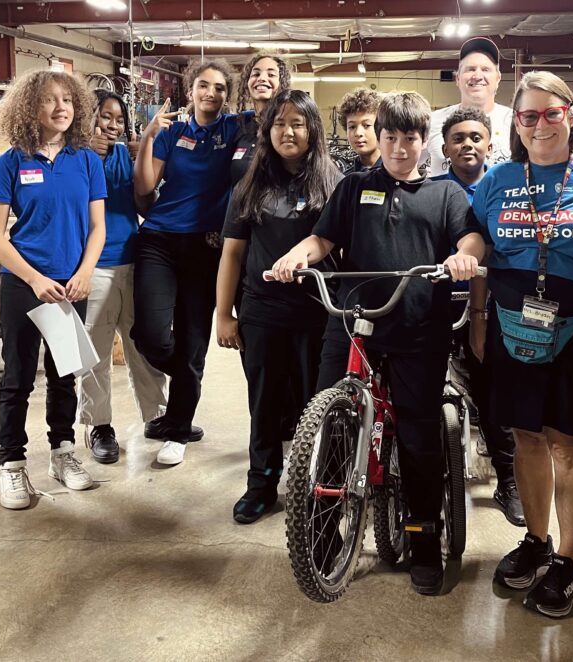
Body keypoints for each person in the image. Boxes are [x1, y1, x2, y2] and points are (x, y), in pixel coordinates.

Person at [272, 92, 472, 595]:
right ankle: (323, 533)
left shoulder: (446, 194)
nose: (399, 148)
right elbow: (323, 241)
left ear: (424, 140)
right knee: (330, 429)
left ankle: (424, 538)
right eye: (389, 137)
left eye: (409, 138)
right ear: (378, 138)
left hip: (417, 328)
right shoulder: (354, 187)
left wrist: (463, 258)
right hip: (353, 322)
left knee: (419, 433)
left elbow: (469, 240)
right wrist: (297, 256)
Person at [451, 71, 573, 618]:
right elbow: (478, 233)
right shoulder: (500, 178)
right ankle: (536, 539)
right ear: (518, 124)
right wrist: (478, 312)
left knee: (568, 446)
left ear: (571, 114)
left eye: (552, 112)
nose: (540, 124)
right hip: (511, 318)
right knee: (527, 437)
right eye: (528, 116)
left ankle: (570, 564)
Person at [0, 69, 107, 510]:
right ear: (29, 108)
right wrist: (35, 279)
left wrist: (87, 271)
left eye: (67, 100)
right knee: (17, 378)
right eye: (50, 100)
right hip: (25, 284)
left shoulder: (87, 160)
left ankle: (62, 453)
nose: (61, 108)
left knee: (64, 376)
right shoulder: (12, 162)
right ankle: (12, 465)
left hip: (73, 286)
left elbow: (98, 227)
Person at [216, 89, 340, 524]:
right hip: (262, 312)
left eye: (298, 124)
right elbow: (232, 254)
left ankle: (317, 489)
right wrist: (224, 314)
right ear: (268, 131)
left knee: (316, 406)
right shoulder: (250, 185)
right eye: (280, 123)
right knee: (264, 403)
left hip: (316, 313)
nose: (289, 131)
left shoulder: (331, 181)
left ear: (313, 130)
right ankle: (261, 483)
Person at [132, 60, 246, 466]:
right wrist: (147, 135)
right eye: (203, 85)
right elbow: (145, 187)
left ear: (227, 94)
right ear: (190, 90)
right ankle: (183, 378)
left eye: (218, 87)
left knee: (193, 339)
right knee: (148, 334)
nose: (210, 93)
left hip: (207, 245)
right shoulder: (173, 130)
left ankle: (179, 427)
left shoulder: (235, 128)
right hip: (159, 239)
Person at [431, 107, 523, 527]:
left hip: (491, 307)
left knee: (493, 395)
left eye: (475, 137)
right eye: (458, 138)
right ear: (445, 148)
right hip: (437, 305)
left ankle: (509, 481)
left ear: (490, 144)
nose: (467, 144)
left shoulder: (506, 187)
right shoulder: (431, 190)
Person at [78, 89, 169, 464]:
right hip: (93, 267)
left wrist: (142, 148)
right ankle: (99, 426)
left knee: (144, 346)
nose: (113, 125)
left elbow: (141, 200)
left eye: (119, 119)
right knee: (94, 354)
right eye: (105, 117)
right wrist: (90, 153)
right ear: (89, 117)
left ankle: (158, 415)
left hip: (134, 260)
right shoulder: (74, 157)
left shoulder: (122, 153)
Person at [425, 37, 513, 177]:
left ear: (498, 79)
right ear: (458, 78)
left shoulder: (515, 121)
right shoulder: (432, 121)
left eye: (485, 69)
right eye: (470, 69)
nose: (477, 76)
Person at [231, 54, 291, 187]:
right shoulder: (240, 124)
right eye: (256, 74)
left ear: (282, 83)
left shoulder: (289, 127)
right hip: (239, 207)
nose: (262, 78)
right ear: (247, 83)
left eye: (271, 75)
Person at [337, 88, 382, 175]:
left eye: (366, 125)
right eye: (352, 127)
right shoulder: (346, 180)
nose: (358, 133)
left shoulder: (396, 175)